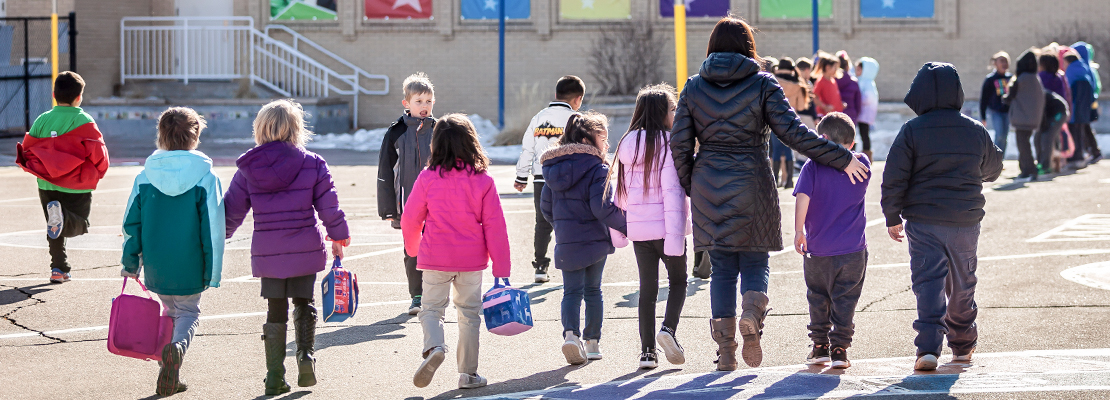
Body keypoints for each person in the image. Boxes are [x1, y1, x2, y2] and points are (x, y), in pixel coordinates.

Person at [670, 17, 869, 371]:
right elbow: (794, 134)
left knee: (721, 270)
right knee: (755, 260)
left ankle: (727, 353)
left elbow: (680, 145)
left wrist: (692, 185)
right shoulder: (762, 83)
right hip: (753, 182)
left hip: (707, 183)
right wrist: (841, 156)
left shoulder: (693, 87)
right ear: (749, 46)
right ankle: (752, 313)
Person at [881, 62, 1004, 372]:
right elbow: (992, 168)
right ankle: (962, 345)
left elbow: (894, 175)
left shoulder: (911, 130)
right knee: (963, 282)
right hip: (964, 219)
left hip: (923, 221)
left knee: (928, 284)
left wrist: (892, 215)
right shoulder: (974, 129)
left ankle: (927, 349)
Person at [225, 99, 351, 395]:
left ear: (260, 129)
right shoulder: (313, 163)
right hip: (305, 247)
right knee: (304, 302)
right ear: (296, 129)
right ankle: (306, 356)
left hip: (268, 252)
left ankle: (274, 375)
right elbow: (329, 208)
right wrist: (339, 237)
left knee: (275, 310)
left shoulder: (248, 168)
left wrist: (219, 238)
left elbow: (231, 211)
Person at [119, 107, 224, 396]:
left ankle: (169, 371)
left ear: (160, 136)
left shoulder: (145, 176)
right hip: (191, 262)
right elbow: (213, 228)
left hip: (157, 264)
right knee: (189, 311)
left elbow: (132, 224)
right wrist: (212, 271)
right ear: (196, 136)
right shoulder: (206, 177)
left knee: (169, 310)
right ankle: (176, 351)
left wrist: (130, 262)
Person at [404, 114, 511, 390]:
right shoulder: (482, 180)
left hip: (435, 257)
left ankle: (435, 346)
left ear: (436, 144)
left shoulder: (427, 177)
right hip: (471, 260)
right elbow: (495, 226)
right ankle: (468, 374)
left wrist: (414, 248)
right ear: (471, 142)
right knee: (469, 315)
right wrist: (501, 269)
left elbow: (410, 218)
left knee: (431, 310)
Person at [611, 84, 691, 369]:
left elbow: (619, 193)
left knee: (648, 289)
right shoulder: (670, 143)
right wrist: (676, 234)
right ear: (661, 113)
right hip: (667, 228)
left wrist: (619, 228)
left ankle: (647, 352)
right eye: (672, 108)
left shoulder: (626, 144)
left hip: (639, 231)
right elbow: (673, 192)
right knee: (679, 281)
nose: (675, 113)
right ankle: (668, 330)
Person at [540, 111, 628, 365]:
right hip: (594, 241)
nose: (607, 144)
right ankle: (592, 342)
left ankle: (570, 335)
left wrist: (562, 226)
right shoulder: (597, 168)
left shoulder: (553, 168)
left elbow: (546, 208)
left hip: (566, 241)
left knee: (570, 292)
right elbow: (601, 208)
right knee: (593, 291)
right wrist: (626, 225)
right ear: (589, 139)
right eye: (603, 137)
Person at [14, 71, 108, 284]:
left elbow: (28, 150)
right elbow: (98, 153)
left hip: (47, 183)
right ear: (79, 97)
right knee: (80, 221)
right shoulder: (84, 120)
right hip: (77, 183)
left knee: (53, 225)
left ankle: (58, 268)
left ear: (54, 94)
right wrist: (100, 171)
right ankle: (63, 219)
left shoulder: (43, 119)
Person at [792, 112, 869, 370]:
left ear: (822, 138)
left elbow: (802, 198)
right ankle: (839, 348)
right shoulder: (862, 164)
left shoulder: (812, 167)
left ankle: (819, 346)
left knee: (818, 296)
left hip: (819, 249)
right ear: (851, 143)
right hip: (853, 250)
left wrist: (798, 230)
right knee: (846, 298)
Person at [514, 75, 585, 283]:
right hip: (569, 179)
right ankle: (571, 264)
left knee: (542, 222)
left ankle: (540, 266)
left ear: (556, 95)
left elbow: (528, 148)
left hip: (541, 178)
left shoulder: (538, 118)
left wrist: (521, 176)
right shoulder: (576, 119)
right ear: (578, 99)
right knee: (570, 220)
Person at [378, 72, 437, 315]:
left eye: (428, 101)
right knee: (413, 251)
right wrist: (389, 209)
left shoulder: (440, 130)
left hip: (438, 204)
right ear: (406, 103)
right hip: (408, 205)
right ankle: (417, 295)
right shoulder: (396, 133)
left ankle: (436, 293)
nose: (424, 106)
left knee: (437, 247)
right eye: (419, 101)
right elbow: (385, 172)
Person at [1004, 48, 1045, 182]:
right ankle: (1025, 170)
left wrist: (1003, 97)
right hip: (1033, 118)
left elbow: (1009, 97)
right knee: (1025, 143)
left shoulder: (1021, 79)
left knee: (1023, 145)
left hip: (1021, 118)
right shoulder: (1035, 78)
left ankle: (1029, 170)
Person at [772, 57, 812, 189]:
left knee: (775, 150)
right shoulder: (797, 84)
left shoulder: (771, 81)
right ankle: (789, 181)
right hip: (790, 119)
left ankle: (775, 180)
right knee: (789, 149)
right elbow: (801, 106)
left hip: (773, 118)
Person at [1064, 49, 1096, 169]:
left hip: (1075, 109)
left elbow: (1068, 92)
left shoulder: (1071, 72)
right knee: (1081, 133)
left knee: (1074, 134)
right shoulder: (1085, 70)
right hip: (1084, 110)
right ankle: (1081, 155)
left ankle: (1076, 157)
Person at [1072, 42, 1102, 164]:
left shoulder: (1084, 69)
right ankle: (1092, 151)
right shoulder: (1088, 68)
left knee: (1084, 127)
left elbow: (1093, 86)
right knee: (1085, 127)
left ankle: (1093, 151)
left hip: (1085, 103)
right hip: (1088, 102)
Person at [980, 52, 1012, 154]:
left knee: (1005, 136)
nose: (1004, 63)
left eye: (1006, 61)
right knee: (999, 135)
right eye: (1001, 61)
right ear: (995, 64)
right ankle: (996, 160)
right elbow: (984, 98)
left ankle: (1001, 160)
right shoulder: (990, 79)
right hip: (996, 111)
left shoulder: (1010, 78)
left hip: (1008, 112)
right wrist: (983, 116)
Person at [856, 57, 880, 161]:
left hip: (864, 114)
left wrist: (858, 99)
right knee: (863, 134)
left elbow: (868, 98)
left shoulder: (867, 83)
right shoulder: (864, 81)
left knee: (864, 134)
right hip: (863, 114)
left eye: (859, 69)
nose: (857, 72)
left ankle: (867, 154)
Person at [813, 53, 845, 118]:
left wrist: (840, 104)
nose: (836, 70)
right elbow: (815, 97)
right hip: (826, 117)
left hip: (835, 115)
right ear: (827, 67)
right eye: (835, 67)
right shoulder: (821, 81)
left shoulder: (833, 80)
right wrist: (825, 107)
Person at [835, 51, 862, 124]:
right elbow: (858, 103)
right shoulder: (853, 82)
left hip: (834, 116)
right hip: (850, 116)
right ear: (847, 67)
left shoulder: (832, 81)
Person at [795, 57, 820, 129]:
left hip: (794, 115)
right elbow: (810, 102)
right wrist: (815, 118)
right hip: (806, 117)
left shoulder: (792, 82)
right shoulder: (807, 84)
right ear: (807, 70)